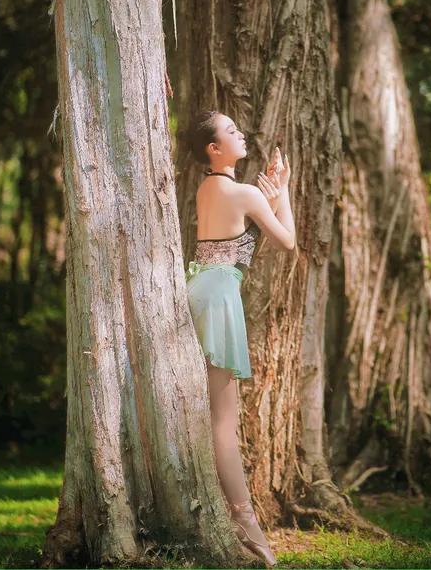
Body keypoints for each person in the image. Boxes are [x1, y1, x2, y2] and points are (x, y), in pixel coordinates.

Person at [179, 110, 295, 569]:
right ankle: (245, 520)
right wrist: (283, 193)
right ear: (214, 149)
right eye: (231, 131)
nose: (240, 134)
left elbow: (238, 243)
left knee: (212, 414)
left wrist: (271, 197)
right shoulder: (245, 193)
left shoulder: (206, 189)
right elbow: (287, 241)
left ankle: (233, 514)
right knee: (222, 422)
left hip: (199, 289)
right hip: (218, 299)